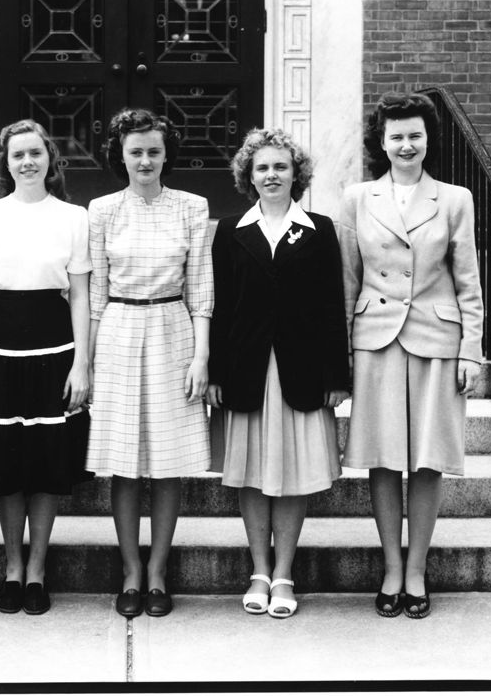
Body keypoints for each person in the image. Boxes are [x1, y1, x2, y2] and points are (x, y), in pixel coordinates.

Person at [338, 92, 483, 619]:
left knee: (426, 458)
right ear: (382, 142)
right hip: (374, 337)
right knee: (382, 457)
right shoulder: (357, 198)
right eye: (396, 135)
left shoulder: (455, 198)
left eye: (415, 135)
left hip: (435, 337)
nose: (406, 145)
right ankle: (391, 567)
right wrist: (343, 351)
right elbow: (348, 278)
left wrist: (472, 349)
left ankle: (417, 570)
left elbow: (468, 280)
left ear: (428, 141)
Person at [207, 128, 350, 619]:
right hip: (246, 369)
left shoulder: (319, 228)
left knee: (291, 474)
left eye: (280, 167)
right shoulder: (229, 230)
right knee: (251, 472)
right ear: (249, 175)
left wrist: (337, 374)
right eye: (262, 168)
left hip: (301, 368)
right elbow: (221, 307)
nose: (271, 175)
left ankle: (285, 573)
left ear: (296, 175)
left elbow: (333, 305)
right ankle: (259, 570)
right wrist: (215, 372)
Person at [0, 119, 92, 617]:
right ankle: (12, 566)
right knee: (7, 465)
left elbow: (79, 294)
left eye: (36, 153)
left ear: (49, 159)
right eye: (18, 155)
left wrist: (82, 362)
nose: (27, 162)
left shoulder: (73, 217)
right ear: (6, 162)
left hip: (54, 344)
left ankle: (38, 568)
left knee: (44, 463)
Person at [86, 108, 213, 619]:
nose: (145, 160)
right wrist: (88, 361)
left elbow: (201, 288)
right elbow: (95, 293)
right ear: (120, 154)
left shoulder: (191, 207)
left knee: (166, 463)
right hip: (118, 328)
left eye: (154, 151)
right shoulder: (101, 210)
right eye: (135, 151)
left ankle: (158, 571)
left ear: (167, 155)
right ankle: (131, 570)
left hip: (173, 330)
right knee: (123, 463)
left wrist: (202, 355)